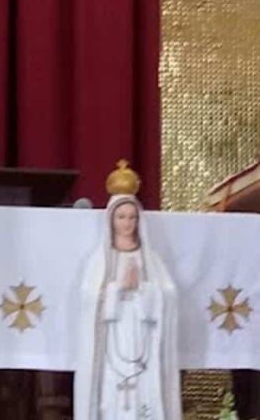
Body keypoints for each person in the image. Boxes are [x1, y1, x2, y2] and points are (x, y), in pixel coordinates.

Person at [74, 161, 181, 420]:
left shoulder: (150, 258)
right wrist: (117, 289)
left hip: (142, 334)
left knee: (144, 390)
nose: (127, 223)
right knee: (113, 394)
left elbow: (168, 294)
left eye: (132, 217)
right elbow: (89, 297)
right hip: (113, 336)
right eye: (121, 217)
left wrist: (144, 291)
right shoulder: (100, 259)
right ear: (111, 219)